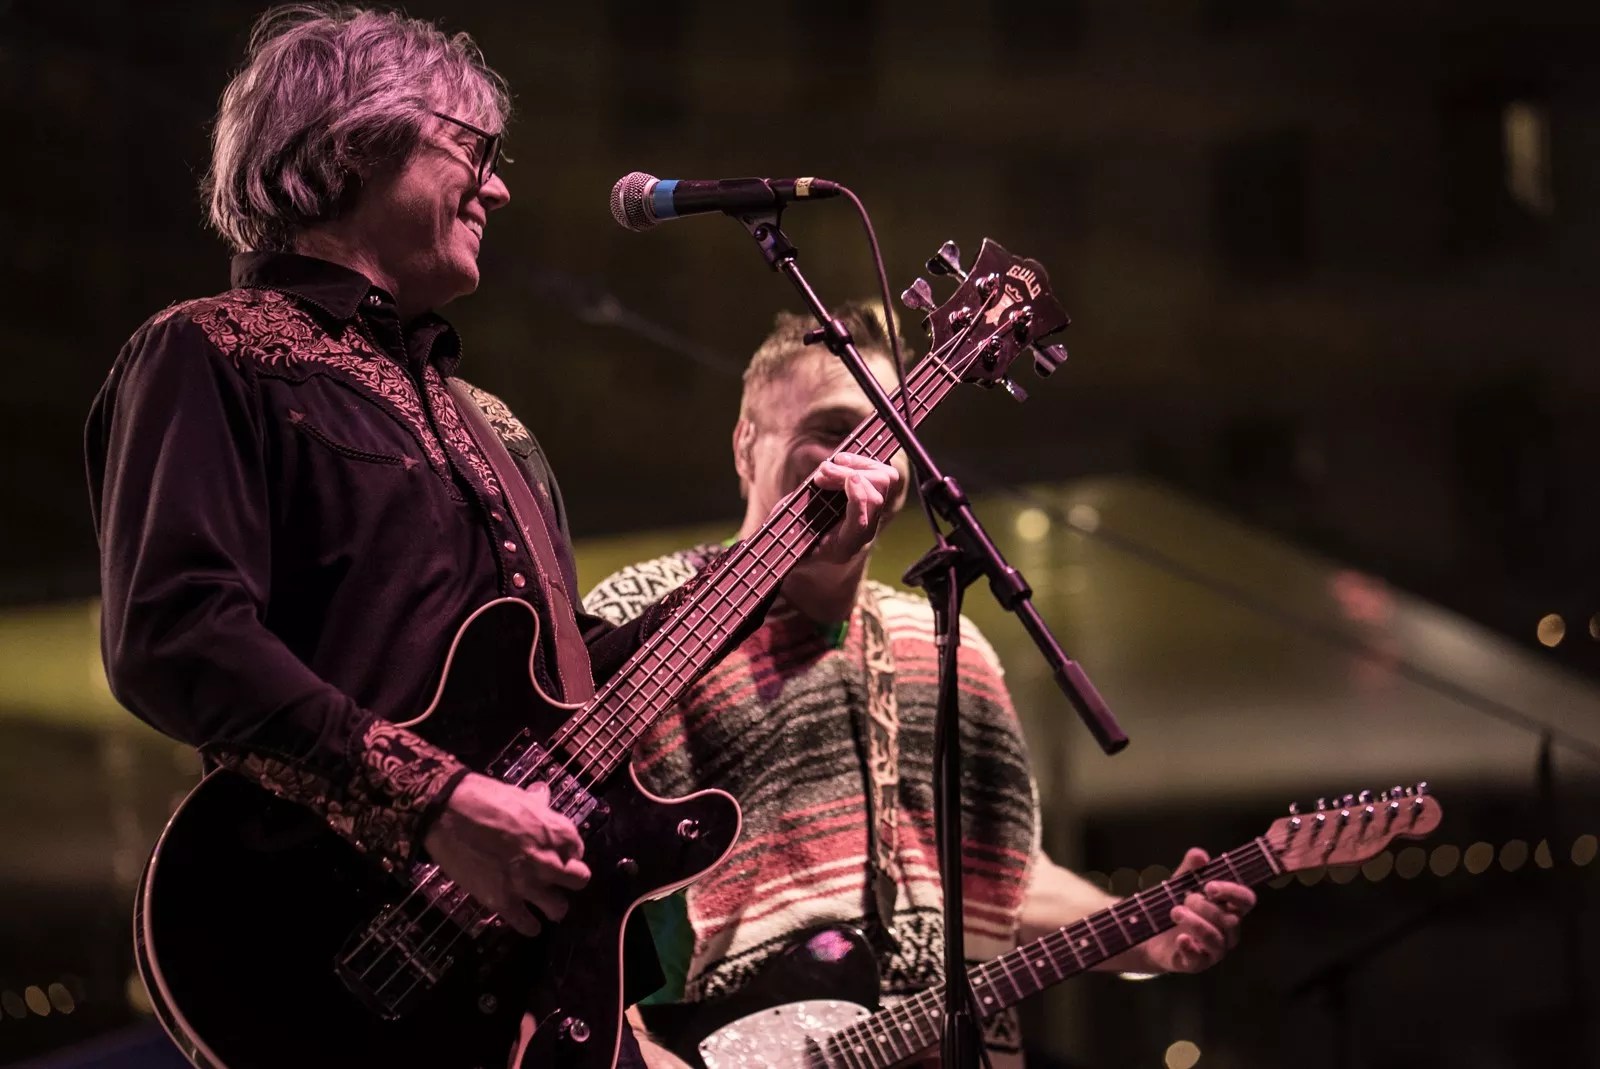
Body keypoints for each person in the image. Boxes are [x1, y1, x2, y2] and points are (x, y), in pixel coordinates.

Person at [83, 6, 900, 1065]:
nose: (499, 187)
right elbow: (175, 633)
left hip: (523, 978)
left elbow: (574, 684)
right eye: (473, 147)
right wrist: (438, 803)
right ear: (352, 142)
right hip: (307, 941)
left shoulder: (496, 429)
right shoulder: (211, 352)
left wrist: (784, 550)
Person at [583, 302, 1258, 1067]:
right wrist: (635, 1055)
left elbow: (1003, 879)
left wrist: (1143, 930)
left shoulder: (948, 648)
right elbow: (572, 876)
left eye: (888, 435)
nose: (863, 458)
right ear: (746, 443)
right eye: (832, 429)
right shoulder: (644, 616)